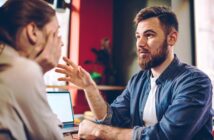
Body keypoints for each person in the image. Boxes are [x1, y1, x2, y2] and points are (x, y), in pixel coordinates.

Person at [55, 6, 213, 140]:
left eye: (149, 35)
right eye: (138, 36)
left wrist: (98, 131)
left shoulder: (195, 82)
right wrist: (89, 87)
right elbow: (112, 118)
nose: (140, 43)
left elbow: (166, 136)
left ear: (171, 39)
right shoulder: (138, 80)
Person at [0, 0, 64, 139]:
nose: (61, 42)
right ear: (33, 31)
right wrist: (38, 72)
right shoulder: (23, 71)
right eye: (56, 33)